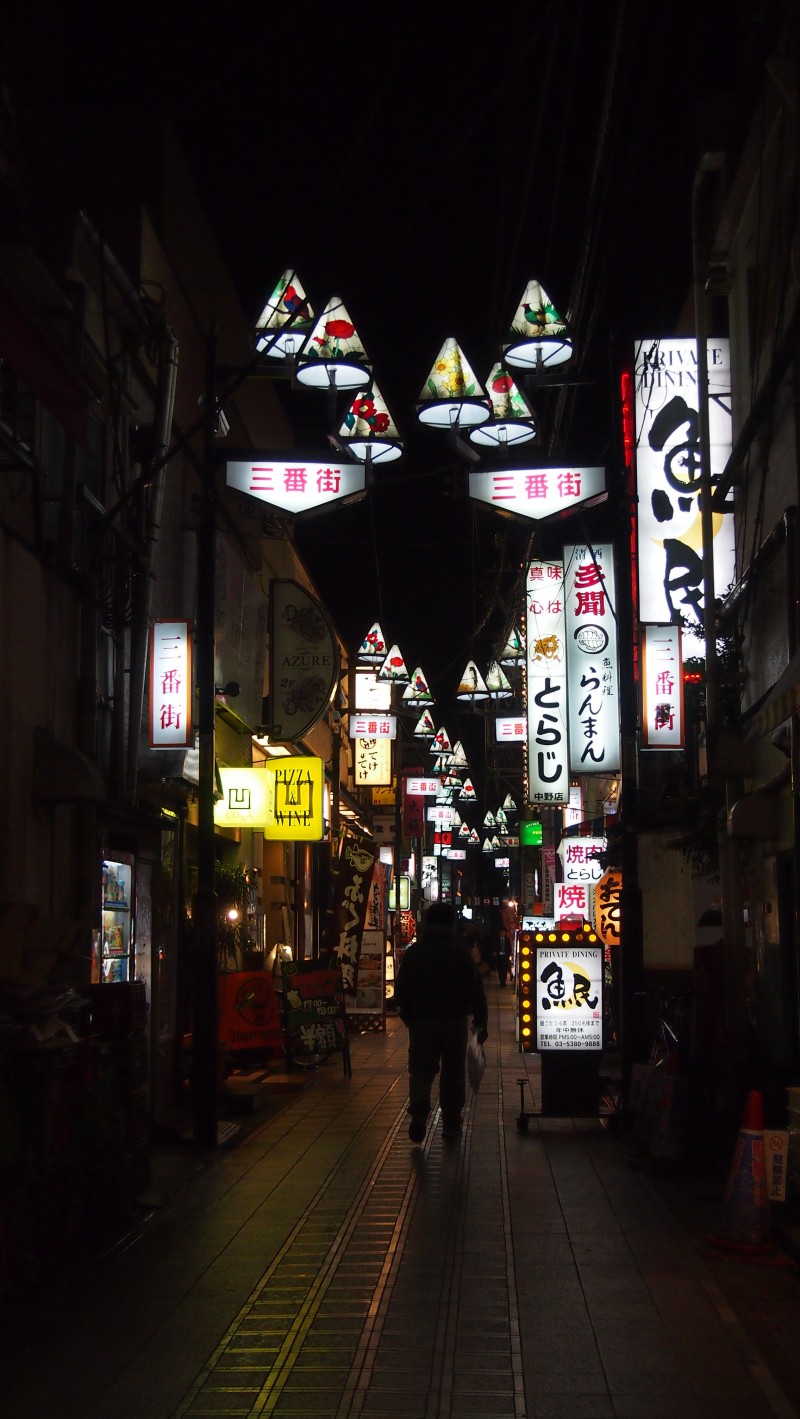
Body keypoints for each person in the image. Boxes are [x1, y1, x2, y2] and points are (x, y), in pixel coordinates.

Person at [395, 902, 488, 1143]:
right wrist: (481, 1021)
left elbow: (401, 987)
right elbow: (476, 989)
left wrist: (408, 1016)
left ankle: (418, 1113)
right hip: (454, 1020)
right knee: (453, 1071)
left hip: (422, 1022)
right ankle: (451, 1123)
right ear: (451, 923)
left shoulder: (415, 952)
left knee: (421, 1070)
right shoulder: (460, 952)